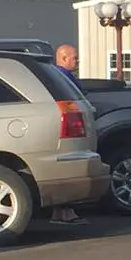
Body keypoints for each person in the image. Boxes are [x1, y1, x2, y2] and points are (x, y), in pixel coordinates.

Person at [51, 44, 88, 225]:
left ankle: (60, 211)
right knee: (69, 167)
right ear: (64, 58)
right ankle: (66, 211)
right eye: (74, 57)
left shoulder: (56, 75)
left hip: (66, 129)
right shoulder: (63, 78)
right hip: (69, 130)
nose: (78, 60)